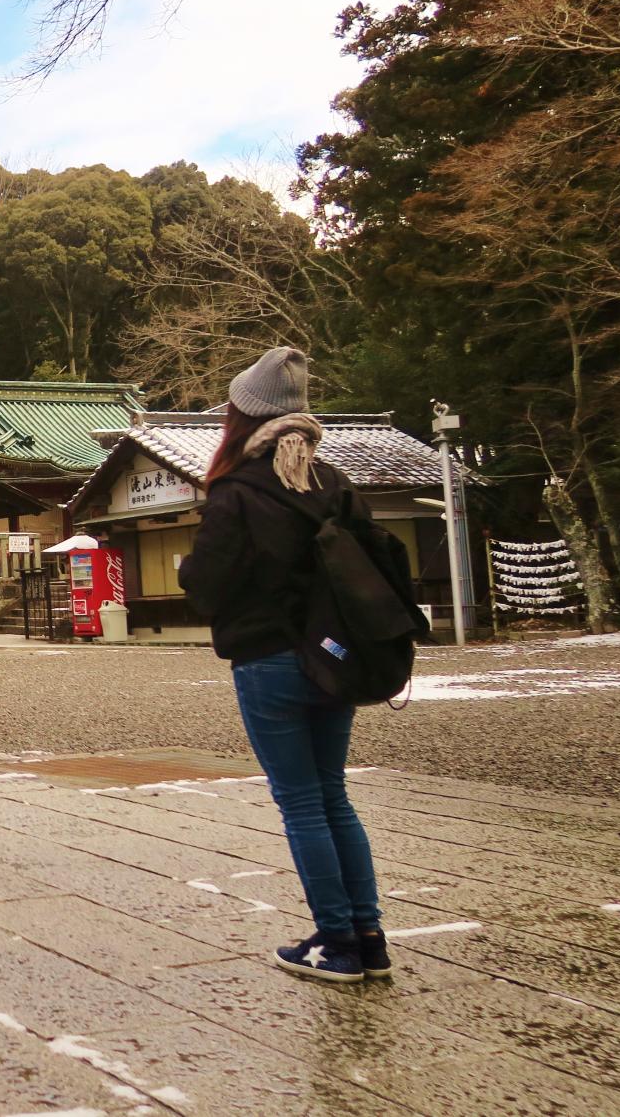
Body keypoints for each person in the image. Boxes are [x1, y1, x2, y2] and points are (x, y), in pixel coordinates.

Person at [178, 346, 390, 984]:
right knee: (333, 796)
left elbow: (205, 580)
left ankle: (338, 943)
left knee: (300, 801)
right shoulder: (335, 485)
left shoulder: (238, 490)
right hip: (337, 659)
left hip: (269, 662)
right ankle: (369, 938)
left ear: (243, 418)